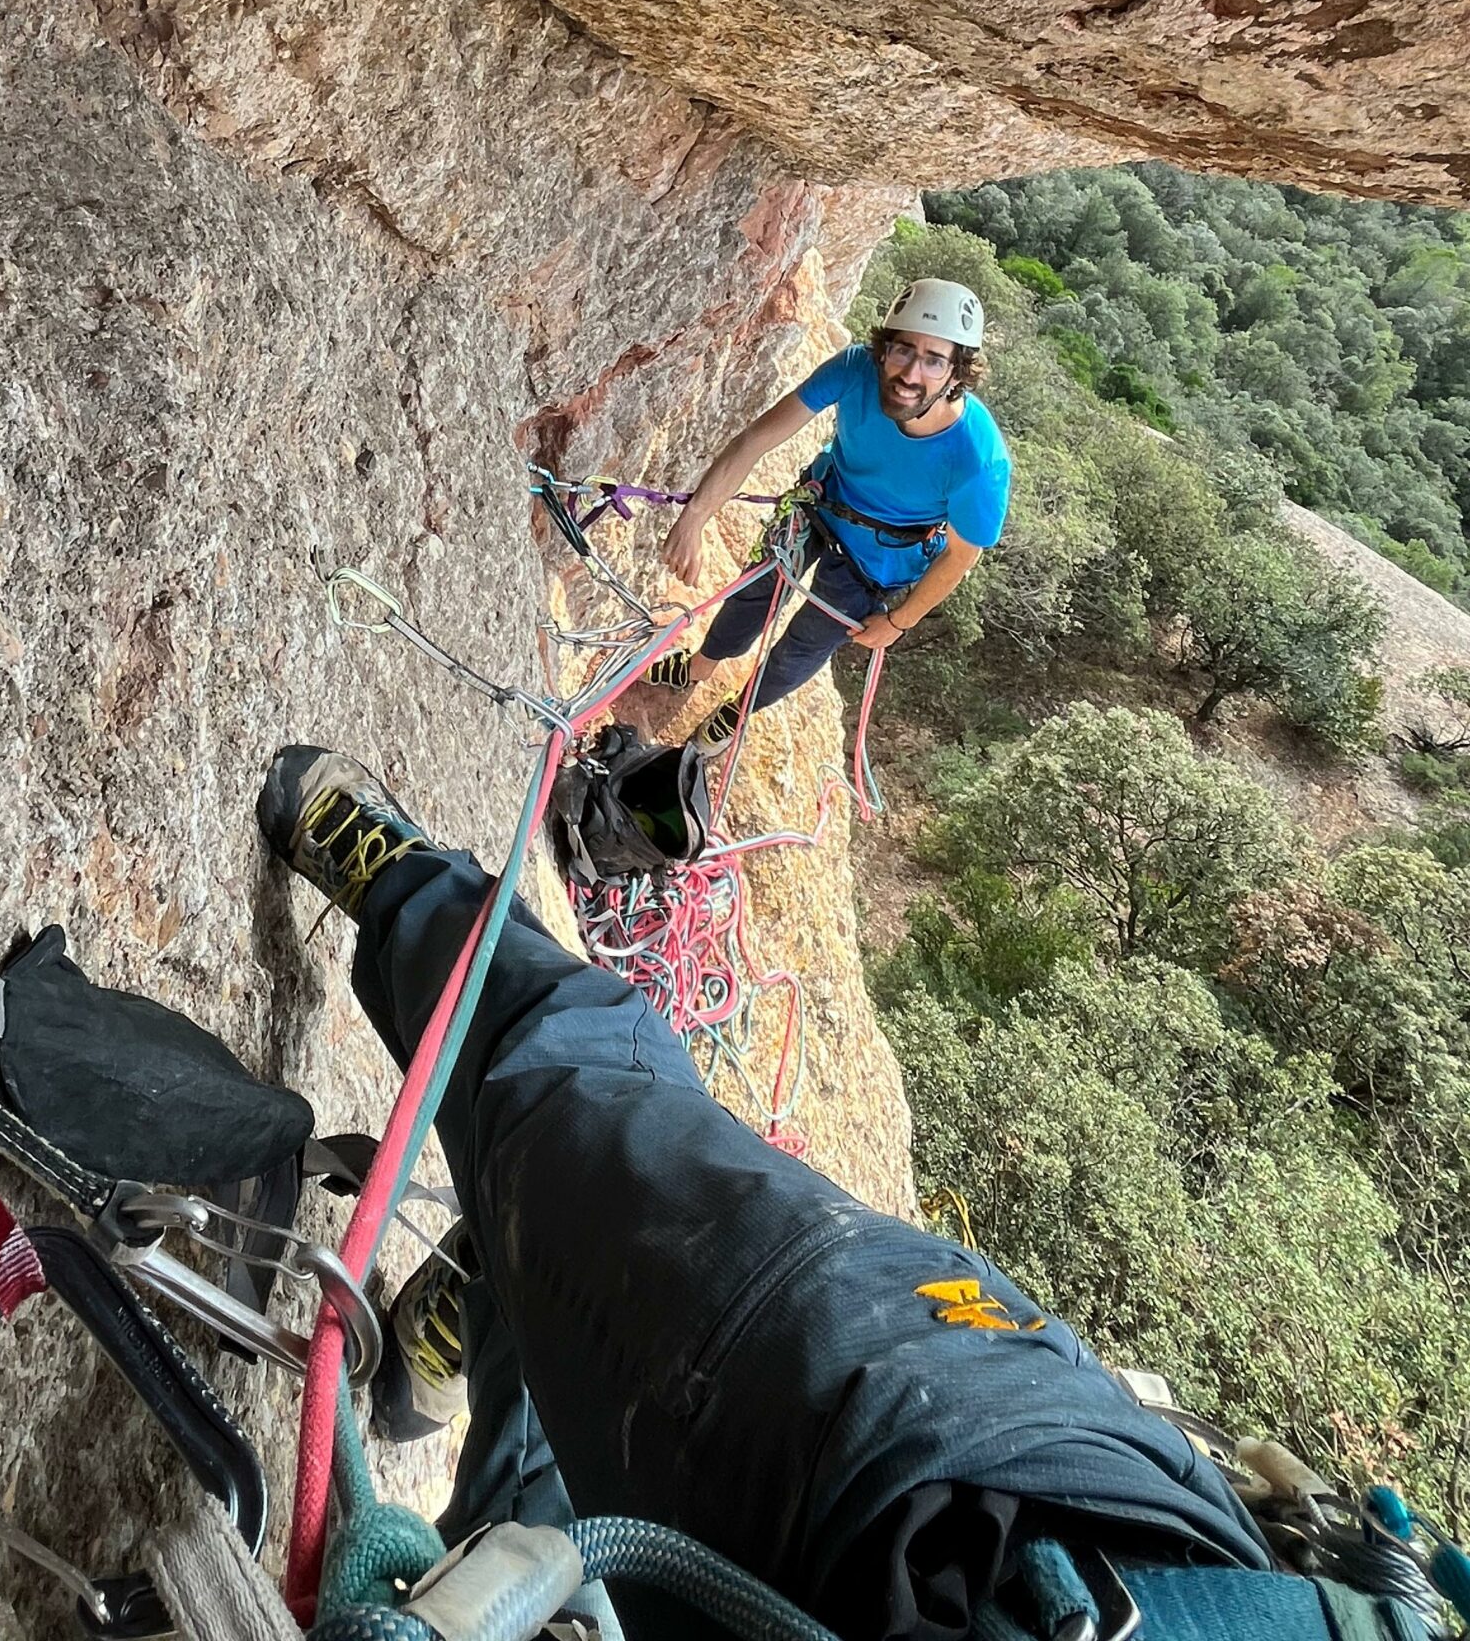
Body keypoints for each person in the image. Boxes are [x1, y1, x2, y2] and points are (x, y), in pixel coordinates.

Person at [254, 744, 1318, 1641]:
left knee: (528, 1528)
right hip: (925, 1475)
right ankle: (408, 894)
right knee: (576, 1101)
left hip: (901, 1489)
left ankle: (502, 1279)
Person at [644, 280, 1012, 753]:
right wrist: (695, 517)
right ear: (884, 349)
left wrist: (900, 622)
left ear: (957, 373)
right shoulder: (856, 369)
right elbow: (758, 439)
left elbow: (962, 557)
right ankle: (700, 666)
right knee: (753, 591)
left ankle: (740, 710)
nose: (910, 373)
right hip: (823, 501)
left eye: (934, 360)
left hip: (879, 560)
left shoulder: (979, 459)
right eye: (903, 350)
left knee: (804, 645)